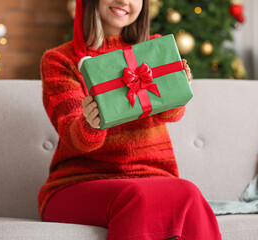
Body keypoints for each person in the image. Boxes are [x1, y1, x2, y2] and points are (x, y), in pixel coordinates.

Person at [38, 0, 222, 239]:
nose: (124, 1)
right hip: (77, 184)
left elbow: (170, 114)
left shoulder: (154, 47)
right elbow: (75, 137)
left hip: (154, 177)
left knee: (188, 192)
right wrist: (90, 124)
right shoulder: (60, 60)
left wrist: (178, 92)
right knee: (138, 196)